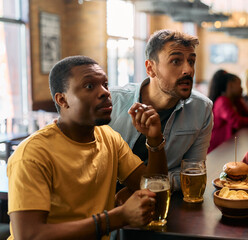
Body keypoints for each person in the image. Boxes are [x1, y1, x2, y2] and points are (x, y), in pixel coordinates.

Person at [7, 56, 168, 240]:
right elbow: (28, 236)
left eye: (105, 84)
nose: (105, 93)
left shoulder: (109, 138)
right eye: (90, 86)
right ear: (62, 100)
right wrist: (116, 218)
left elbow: (155, 193)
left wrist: (154, 139)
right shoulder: (32, 154)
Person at [109, 29, 213, 191]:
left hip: (163, 203)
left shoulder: (201, 108)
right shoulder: (113, 101)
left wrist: (144, 187)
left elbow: (194, 171)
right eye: (176, 61)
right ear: (150, 68)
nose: (188, 70)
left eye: (191, 61)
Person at [208, 71, 248, 152]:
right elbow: (237, 122)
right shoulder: (222, 101)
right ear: (230, 85)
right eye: (239, 85)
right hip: (218, 149)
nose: (242, 88)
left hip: (232, 145)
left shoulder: (236, 100)